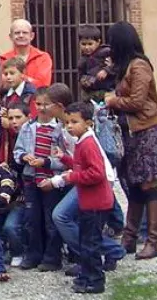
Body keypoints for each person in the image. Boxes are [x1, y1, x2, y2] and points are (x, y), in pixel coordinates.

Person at [105, 21, 157, 261]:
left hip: (147, 131)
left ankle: (153, 241)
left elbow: (139, 101)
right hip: (132, 133)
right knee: (133, 183)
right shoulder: (126, 66)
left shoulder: (139, 65)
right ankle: (129, 238)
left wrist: (113, 101)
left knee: (148, 185)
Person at [49, 101, 116, 293]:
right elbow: (80, 165)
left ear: (88, 123)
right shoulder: (81, 141)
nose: (69, 126)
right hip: (89, 202)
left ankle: (95, 281)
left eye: (74, 122)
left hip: (96, 203)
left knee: (91, 244)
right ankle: (86, 275)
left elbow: (96, 173)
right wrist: (64, 158)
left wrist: (72, 176)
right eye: (68, 122)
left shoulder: (88, 143)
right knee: (86, 241)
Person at [14, 85, 71, 270]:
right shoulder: (28, 127)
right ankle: (33, 254)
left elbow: (64, 160)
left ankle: (52, 257)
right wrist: (24, 157)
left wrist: (46, 162)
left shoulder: (60, 129)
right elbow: (18, 151)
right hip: (31, 179)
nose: (42, 108)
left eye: (46, 104)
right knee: (32, 219)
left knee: (50, 220)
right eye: (38, 104)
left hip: (51, 181)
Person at [0, 19, 53, 90]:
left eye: (25, 33)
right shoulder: (3, 59)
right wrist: (29, 80)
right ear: (10, 36)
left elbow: (42, 85)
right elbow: (2, 85)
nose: (21, 35)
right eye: (17, 33)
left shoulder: (43, 58)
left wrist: (19, 78)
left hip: (35, 100)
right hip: (11, 100)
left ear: (32, 36)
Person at [77, 26, 116, 103]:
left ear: (98, 42)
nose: (87, 47)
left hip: (108, 91)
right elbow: (81, 76)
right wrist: (84, 81)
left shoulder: (106, 52)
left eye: (90, 44)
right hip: (91, 93)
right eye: (83, 44)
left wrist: (106, 70)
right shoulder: (82, 60)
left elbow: (118, 65)